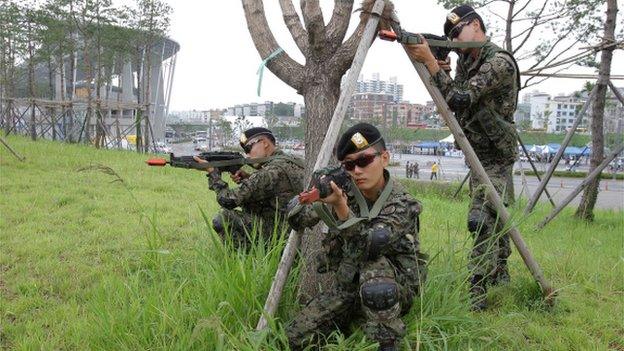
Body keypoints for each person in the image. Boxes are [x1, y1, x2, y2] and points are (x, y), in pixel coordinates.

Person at [406, 4, 519, 310]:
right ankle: (501, 269)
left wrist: (430, 62)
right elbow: (457, 101)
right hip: (477, 151)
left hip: (496, 153)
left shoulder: (498, 62)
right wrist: (439, 70)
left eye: (458, 32)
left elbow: (460, 97)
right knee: (494, 212)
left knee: (481, 218)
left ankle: (478, 290)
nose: (454, 41)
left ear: (477, 25)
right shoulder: (467, 63)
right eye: (450, 37)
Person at [285, 123, 428, 351]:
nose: (357, 171)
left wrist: (341, 208)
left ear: (384, 158)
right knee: (294, 338)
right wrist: (317, 190)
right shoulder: (344, 189)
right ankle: (358, 320)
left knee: (375, 267)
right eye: (349, 165)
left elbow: (369, 246)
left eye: (364, 161)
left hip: (392, 288)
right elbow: (296, 219)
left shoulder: (402, 203)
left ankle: (387, 342)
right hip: (349, 284)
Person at [196, 127, 304, 248]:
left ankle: (245, 258)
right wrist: (248, 178)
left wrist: (213, 175)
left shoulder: (270, 172)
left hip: (280, 237)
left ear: (264, 143)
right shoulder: (291, 161)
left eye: (249, 148)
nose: (247, 154)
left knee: (223, 218)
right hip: (293, 231)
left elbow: (227, 200)